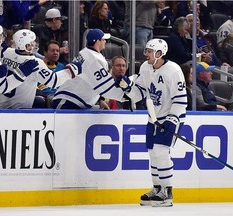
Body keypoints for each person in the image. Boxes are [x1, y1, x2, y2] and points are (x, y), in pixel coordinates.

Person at [115, 38, 187, 207]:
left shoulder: (173, 70)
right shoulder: (146, 68)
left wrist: (172, 119)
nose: (145, 53)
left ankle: (167, 192)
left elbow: (181, 100)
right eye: (146, 50)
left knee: (161, 152)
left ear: (159, 53)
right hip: (153, 118)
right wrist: (127, 88)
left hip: (171, 117)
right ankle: (157, 188)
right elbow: (139, 93)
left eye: (149, 51)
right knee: (153, 153)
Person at [0, 29, 78, 109]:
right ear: (27, 45)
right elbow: (54, 81)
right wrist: (73, 69)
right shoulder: (34, 63)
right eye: (33, 42)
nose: (35, 44)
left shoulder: (7, 52)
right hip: (19, 109)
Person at [52, 28, 125, 110]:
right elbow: (103, 86)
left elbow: (93, 81)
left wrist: (100, 99)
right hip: (69, 99)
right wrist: (125, 93)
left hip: (75, 99)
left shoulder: (85, 52)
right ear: (97, 41)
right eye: (103, 40)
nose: (105, 42)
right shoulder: (96, 59)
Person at [34, 40, 65, 108]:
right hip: (42, 96)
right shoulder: (37, 66)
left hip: (57, 96)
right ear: (45, 52)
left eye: (57, 51)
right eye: (52, 51)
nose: (56, 53)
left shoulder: (62, 67)